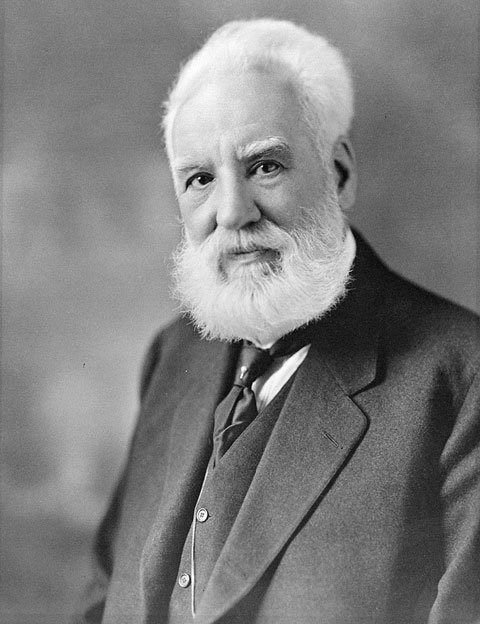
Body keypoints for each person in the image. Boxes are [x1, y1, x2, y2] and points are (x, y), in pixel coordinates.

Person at [76, 19, 480, 624]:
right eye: (200, 180)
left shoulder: (459, 373)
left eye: (264, 166)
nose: (232, 213)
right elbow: (104, 594)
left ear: (338, 173)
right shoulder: (173, 354)